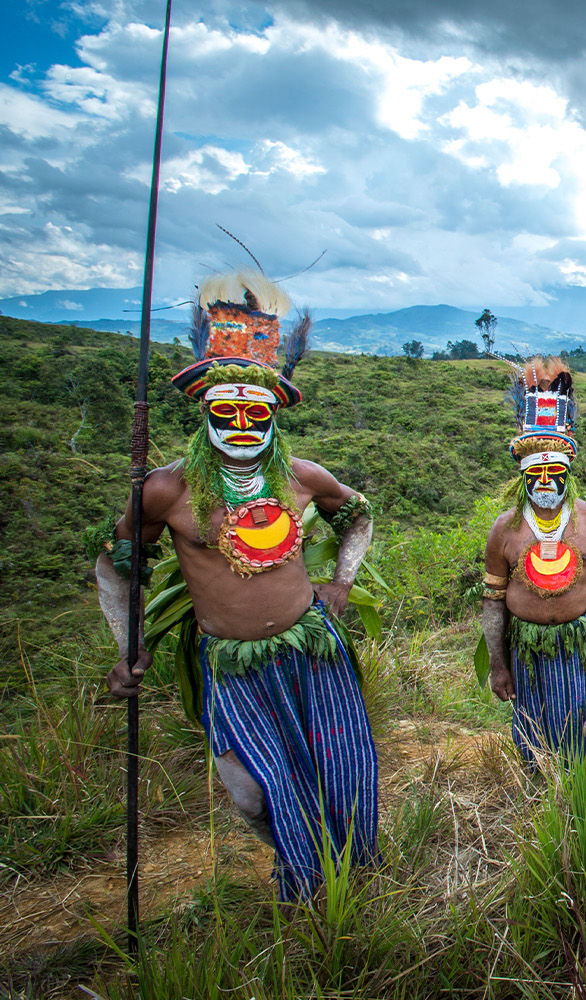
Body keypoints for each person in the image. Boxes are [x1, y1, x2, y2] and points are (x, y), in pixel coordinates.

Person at [95, 270, 379, 901]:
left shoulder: (302, 478)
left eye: (258, 411)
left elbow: (357, 514)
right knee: (251, 788)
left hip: (314, 650)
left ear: (276, 413)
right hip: (232, 663)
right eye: (229, 410)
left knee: (343, 769)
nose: (245, 423)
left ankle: (353, 878)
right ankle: (301, 861)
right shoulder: (166, 490)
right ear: (204, 412)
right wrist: (127, 645)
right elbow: (117, 566)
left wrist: (340, 581)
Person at [482, 358, 586, 769]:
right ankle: (539, 788)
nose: (546, 481)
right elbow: (493, 601)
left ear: (569, 474)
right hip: (527, 649)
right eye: (536, 473)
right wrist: (499, 664)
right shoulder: (505, 530)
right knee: (533, 729)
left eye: (555, 471)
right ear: (522, 477)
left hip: (580, 649)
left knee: (584, 728)